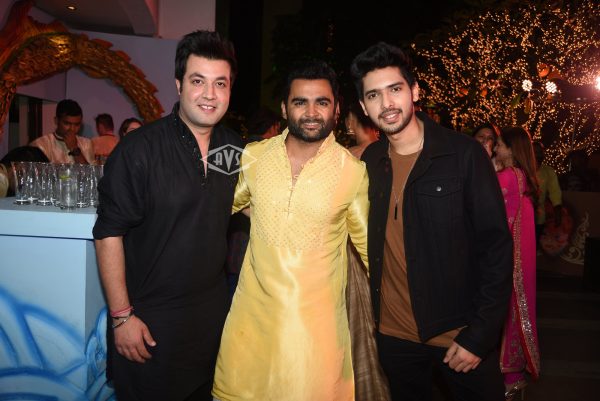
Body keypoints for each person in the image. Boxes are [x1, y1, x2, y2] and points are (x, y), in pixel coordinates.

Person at [351, 42, 513, 401]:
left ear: (414, 91)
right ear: (363, 107)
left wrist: (480, 335)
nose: (386, 103)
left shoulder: (463, 154)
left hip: (459, 337)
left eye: (395, 89)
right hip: (394, 339)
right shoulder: (369, 162)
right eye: (373, 95)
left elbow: (497, 249)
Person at [93, 30, 241, 401]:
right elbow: (108, 233)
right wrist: (122, 317)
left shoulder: (232, 149)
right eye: (198, 81)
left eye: (220, 83)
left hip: (211, 325)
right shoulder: (139, 149)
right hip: (149, 327)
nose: (209, 94)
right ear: (178, 84)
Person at [212, 60, 370, 401]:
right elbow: (210, 208)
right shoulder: (252, 157)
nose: (311, 112)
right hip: (249, 331)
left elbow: (373, 253)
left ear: (336, 109)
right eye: (300, 102)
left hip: (316, 343)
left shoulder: (353, 172)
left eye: (322, 102)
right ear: (284, 108)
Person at [495, 127, 541, 399]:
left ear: (511, 149)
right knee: (514, 312)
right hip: (520, 261)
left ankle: (511, 378)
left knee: (506, 312)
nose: (495, 148)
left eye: (499, 144)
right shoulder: (523, 176)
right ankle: (515, 376)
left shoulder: (507, 176)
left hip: (507, 261)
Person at [30, 99, 95, 164]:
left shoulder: (86, 144)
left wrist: (75, 148)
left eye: (77, 124)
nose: (72, 129)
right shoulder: (40, 145)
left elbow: (91, 170)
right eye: (67, 123)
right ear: (56, 121)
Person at [533, 141, 562, 242]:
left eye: (540, 152)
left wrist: (557, 211)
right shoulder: (522, 168)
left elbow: (555, 192)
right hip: (521, 216)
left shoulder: (548, 171)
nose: (538, 155)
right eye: (535, 152)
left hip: (538, 218)